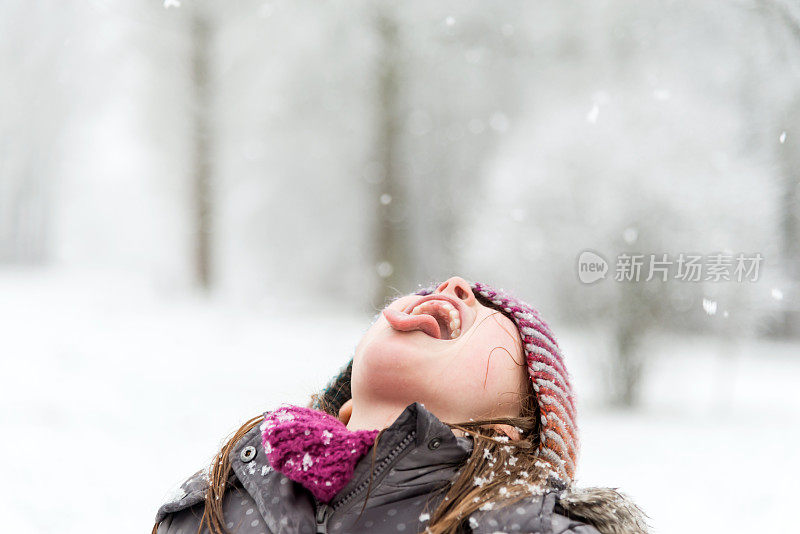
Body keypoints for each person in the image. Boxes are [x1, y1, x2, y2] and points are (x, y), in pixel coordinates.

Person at [153, 276, 648, 534]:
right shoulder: (207, 512)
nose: (452, 285)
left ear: (507, 435)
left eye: (493, 313)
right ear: (343, 410)